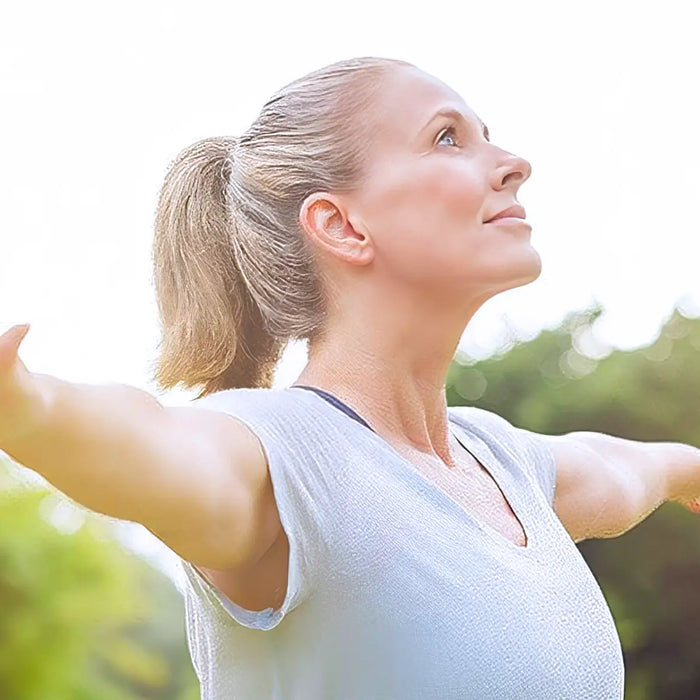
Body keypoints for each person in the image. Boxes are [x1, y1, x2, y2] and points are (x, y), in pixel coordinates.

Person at [2, 56, 700, 699]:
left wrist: (688, 470)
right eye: (448, 138)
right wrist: (24, 403)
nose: (515, 163)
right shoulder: (284, 456)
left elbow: (639, 468)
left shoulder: (511, 466)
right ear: (341, 225)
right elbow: (145, 439)